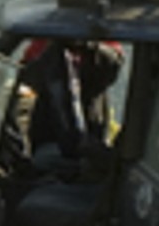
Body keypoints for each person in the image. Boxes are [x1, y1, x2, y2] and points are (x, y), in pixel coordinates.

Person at [19, 38, 124, 169]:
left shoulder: (99, 38)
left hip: (92, 139)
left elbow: (113, 66)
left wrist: (88, 46)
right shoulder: (48, 38)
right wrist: (54, 50)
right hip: (49, 137)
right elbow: (28, 76)